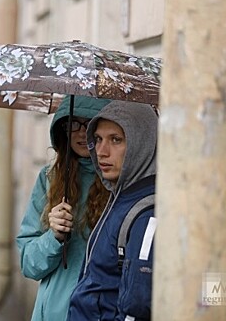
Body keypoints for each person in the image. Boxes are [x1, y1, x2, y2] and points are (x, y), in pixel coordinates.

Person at [16, 95, 110, 321]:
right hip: (54, 312)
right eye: (72, 124)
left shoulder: (120, 181)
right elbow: (29, 264)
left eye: (88, 123)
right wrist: (54, 237)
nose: (79, 132)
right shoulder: (50, 178)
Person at [67, 100, 158, 321]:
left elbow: (137, 308)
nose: (101, 151)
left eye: (116, 140)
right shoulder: (121, 196)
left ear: (142, 143)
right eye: (97, 139)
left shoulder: (147, 212)